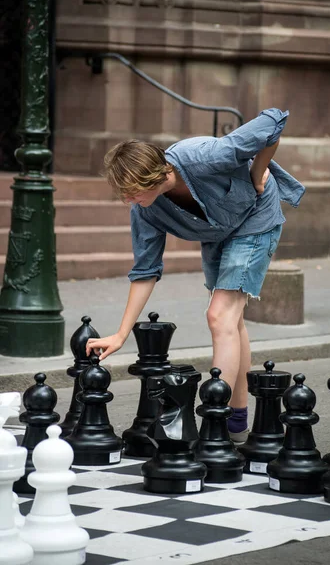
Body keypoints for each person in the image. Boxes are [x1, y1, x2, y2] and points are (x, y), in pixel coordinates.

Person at [86, 108, 305, 444]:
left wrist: (259, 171)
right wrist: (120, 334)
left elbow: (274, 120)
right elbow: (145, 272)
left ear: (153, 177)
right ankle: (236, 423)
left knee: (219, 316)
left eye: (131, 191)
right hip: (218, 236)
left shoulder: (203, 156)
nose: (127, 199)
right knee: (231, 322)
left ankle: (216, 425)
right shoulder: (145, 211)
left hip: (256, 219)